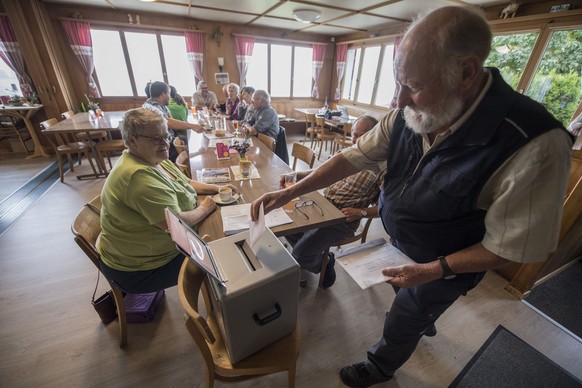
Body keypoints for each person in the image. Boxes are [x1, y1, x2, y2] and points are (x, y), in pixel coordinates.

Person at [250, 6, 573, 387]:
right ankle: (425, 315)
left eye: (414, 86)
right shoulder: (411, 111)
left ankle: (381, 366)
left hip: (445, 262)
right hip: (400, 242)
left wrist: (432, 271)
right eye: (397, 83)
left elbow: (516, 248)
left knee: (406, 315)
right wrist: (292, 191)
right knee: (408, 301)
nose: (399, 101)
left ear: (467, 72)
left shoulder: (534, 144)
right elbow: (352, 157)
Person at [98, 108, 237, 294]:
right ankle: (222, 312)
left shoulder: (154, 158)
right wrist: (205, 208)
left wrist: (217, 188)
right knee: (225, 255)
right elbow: (176, 224)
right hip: (141, 270)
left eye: (166, 136)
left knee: (224, 236)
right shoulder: (138, 176)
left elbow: (185, 182)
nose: (165, 143)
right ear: (132, 140)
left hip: (149, 253)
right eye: (156, 139)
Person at [284, 115, 383, 289]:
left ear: (374, 136)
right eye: (354, 134)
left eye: (362, 135)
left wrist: (362, 213)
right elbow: (320, 171)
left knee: (299, 255)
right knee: (287, 224)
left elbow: (387, 207)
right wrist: (296, 176)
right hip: (323, 204)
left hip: (343, 218)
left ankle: (326, 262)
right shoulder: (346, 153)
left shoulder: (382, 166)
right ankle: (313, 253)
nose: (356, 140)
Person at [143, 81, 202, 161]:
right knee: (195, 145)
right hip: (162, 146)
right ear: (163, 94)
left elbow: (171, 121)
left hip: (170, 140)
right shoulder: (152, 106)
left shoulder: (160, 105)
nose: (170, 97)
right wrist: (192, 126)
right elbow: (167, 122)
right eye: (169, 94)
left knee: (192, 141)